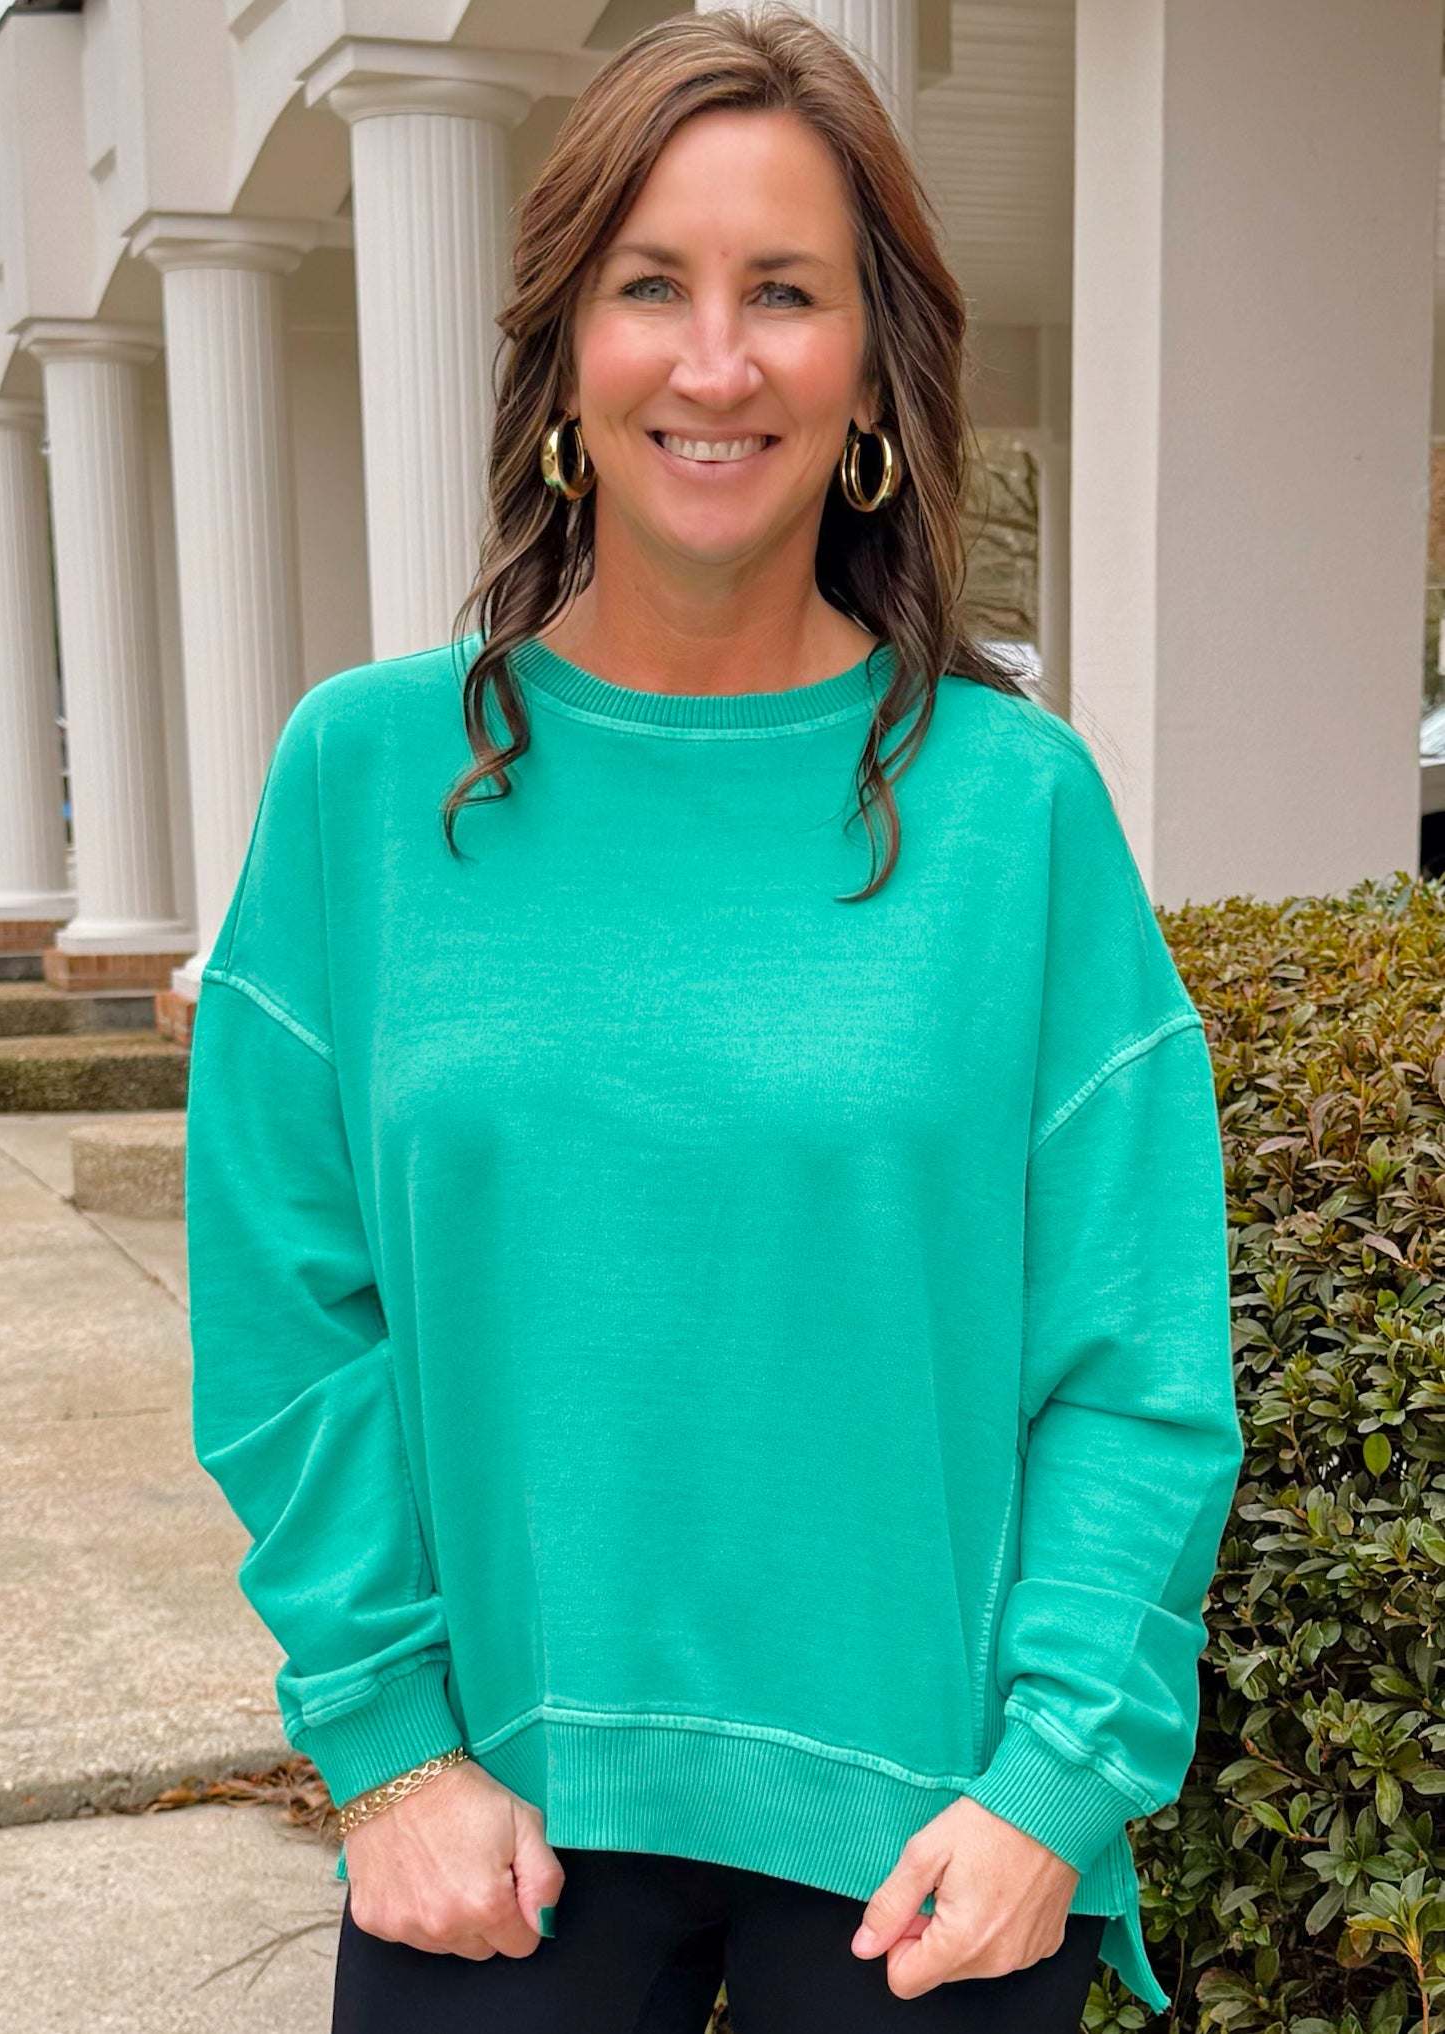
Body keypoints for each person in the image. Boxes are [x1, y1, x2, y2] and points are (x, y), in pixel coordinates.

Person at [183, 7, 1246, 2031]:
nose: (714, 359)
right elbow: (283, 1318)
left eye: (784, 292)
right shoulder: (364, 782)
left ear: (872, 372)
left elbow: (1132, 1358)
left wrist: (1055, 1778)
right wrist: (384, 1742)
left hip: (930, 1858)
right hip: (487, 1832)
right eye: (649, 285)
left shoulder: (1014, 812)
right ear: (563, 355)